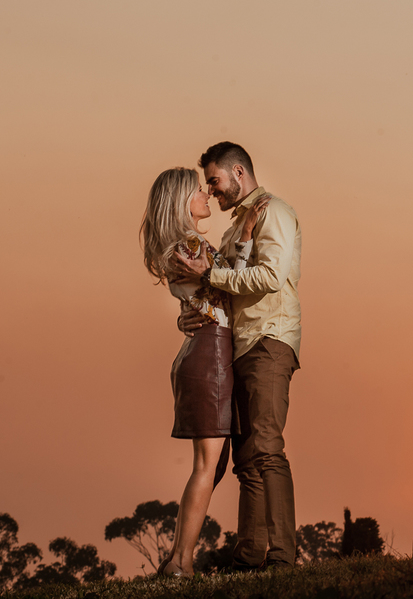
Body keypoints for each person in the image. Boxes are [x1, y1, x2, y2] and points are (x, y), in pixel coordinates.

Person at [173, 142, 302, 571]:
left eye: (214, 181)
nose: (211, 191)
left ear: (238, 173)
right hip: (239, 346)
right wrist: (188, 313)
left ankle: (282, 557)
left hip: (268, 338)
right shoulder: (235, 229)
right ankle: (248, 557)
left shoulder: (273, 212)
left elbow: (270, 276)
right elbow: (218, 293)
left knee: (266, 448)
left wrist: (210, 273)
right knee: (247, 459)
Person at [139, 166, 268, 577]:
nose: (206, 195)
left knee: (211, 465)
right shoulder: (191, 245)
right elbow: (229, 287)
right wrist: (246, 234)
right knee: (206, 466)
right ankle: (181, 563)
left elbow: (206, 295)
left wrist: (187, 314)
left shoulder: (181, 245)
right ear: (181, 202)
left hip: (204, 351)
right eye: (198, 190)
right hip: (211, 354)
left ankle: (177, 560)